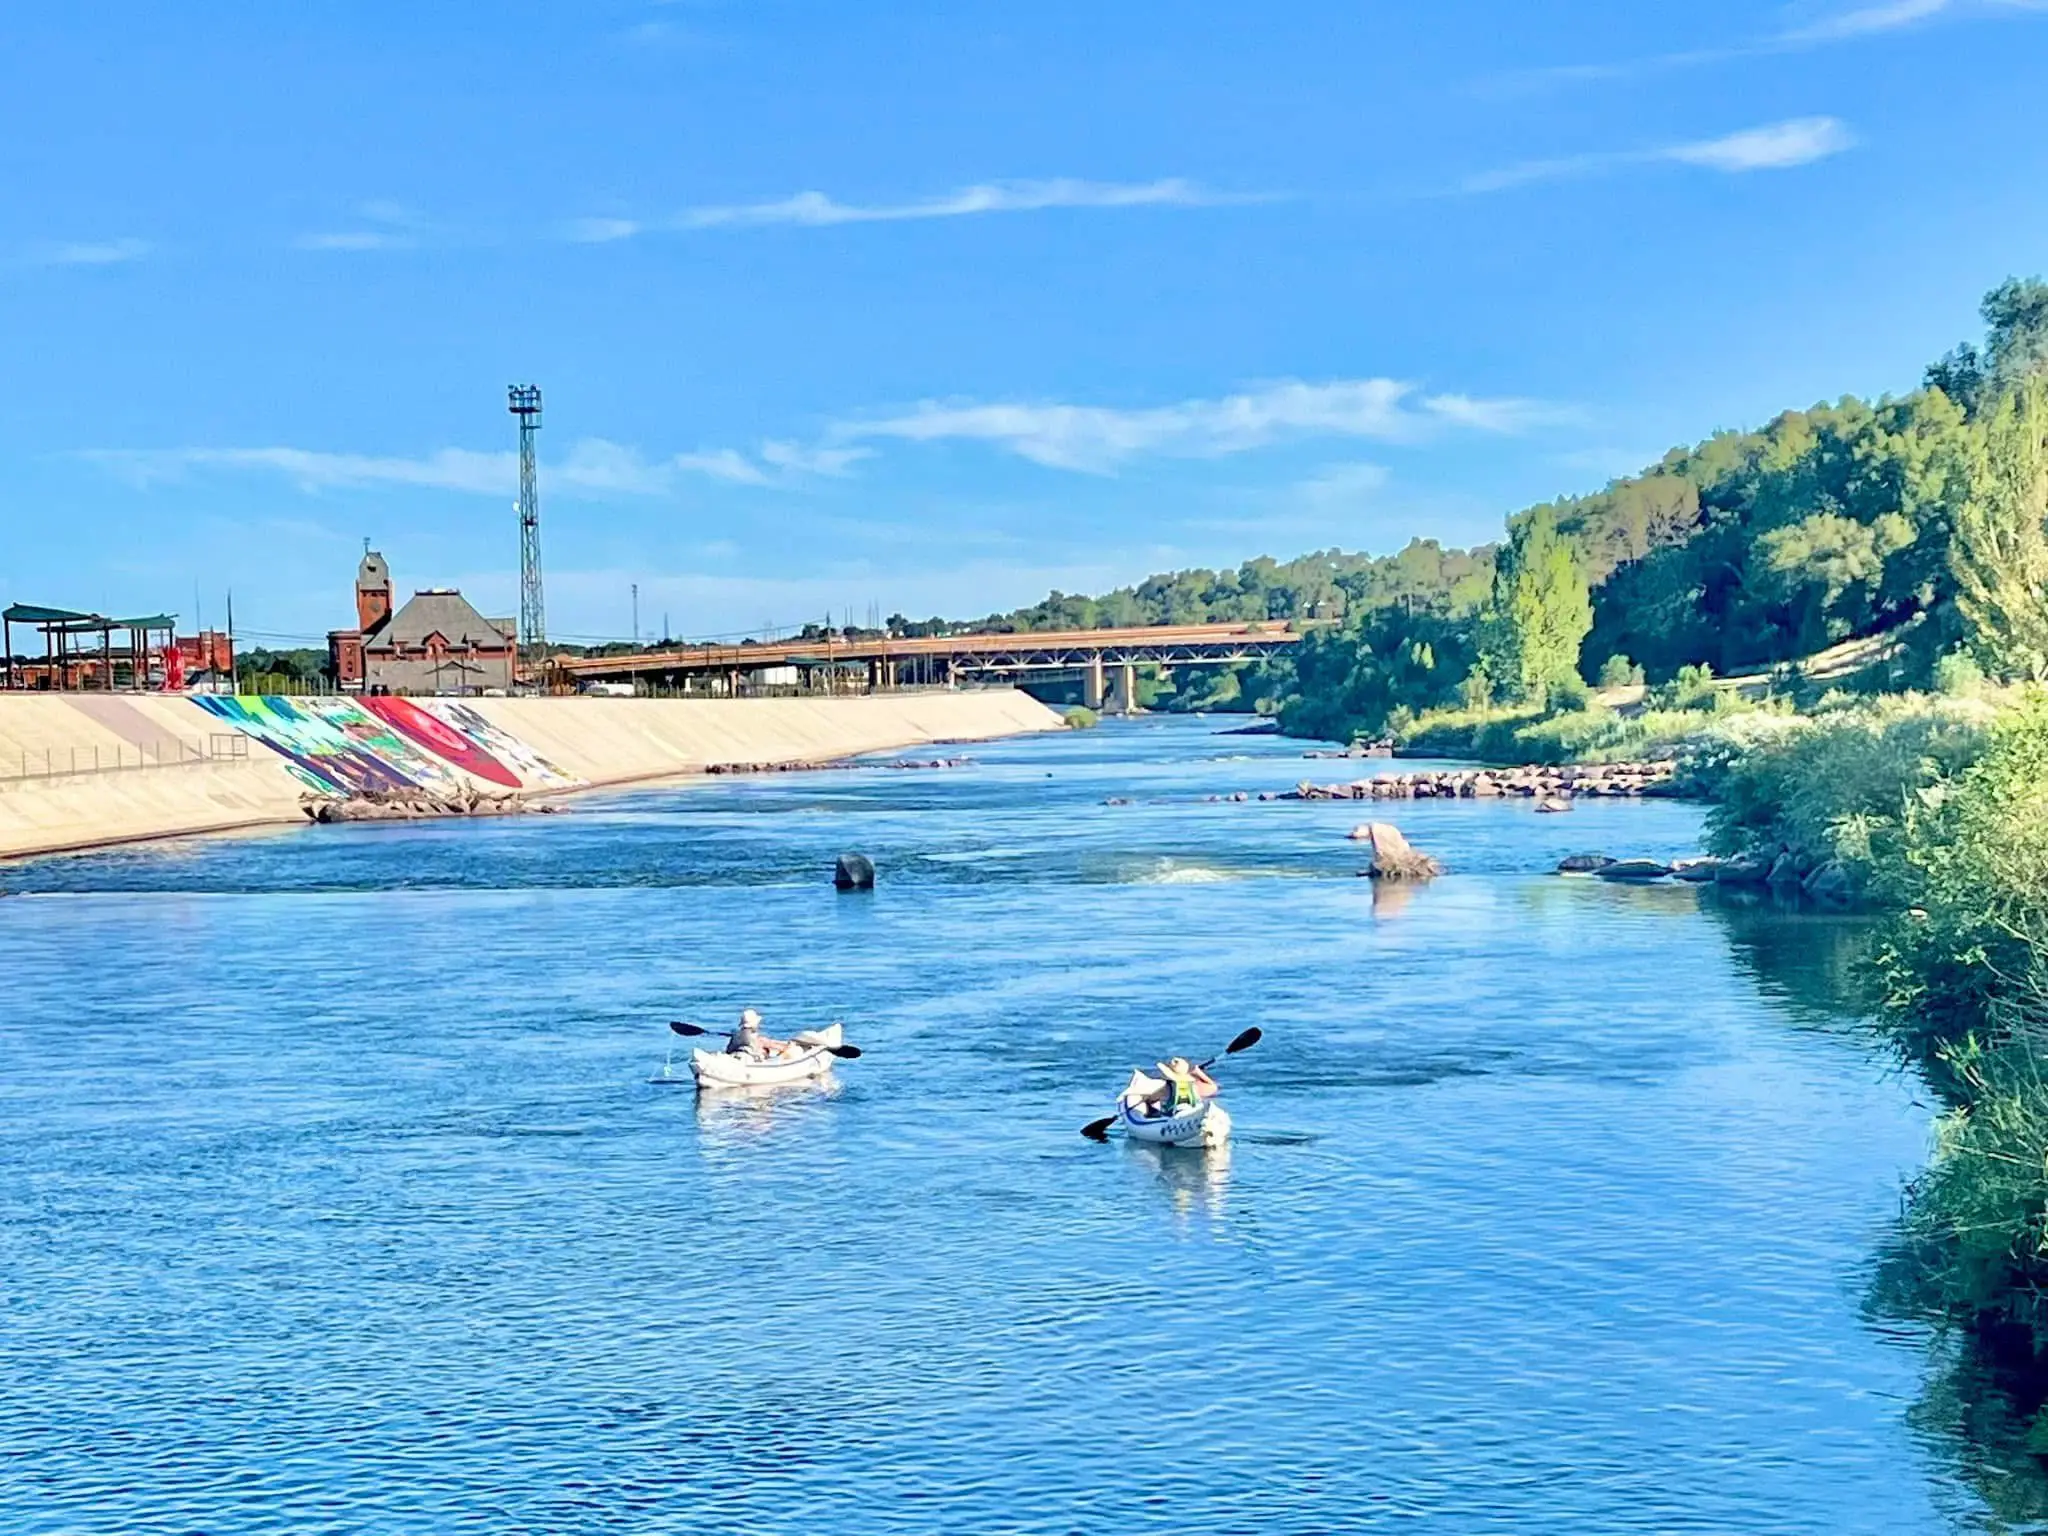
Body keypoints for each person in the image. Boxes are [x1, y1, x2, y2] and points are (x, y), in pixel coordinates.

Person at [1142, 1057, 1217, 1116]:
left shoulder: (1165, 1088)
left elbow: (1151, 1099)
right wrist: (1198, 1073)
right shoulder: (1195, 1087)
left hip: (1173, 1117)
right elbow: (1213, 1087)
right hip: (1191, 1114)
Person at [726, 1007, 792, 1059]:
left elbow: (728, 1051)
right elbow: (779, 1047)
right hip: (750, 1061)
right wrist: (789, 1046)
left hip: (735, 1058)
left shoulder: (735, 1036)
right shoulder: (758, 1039)